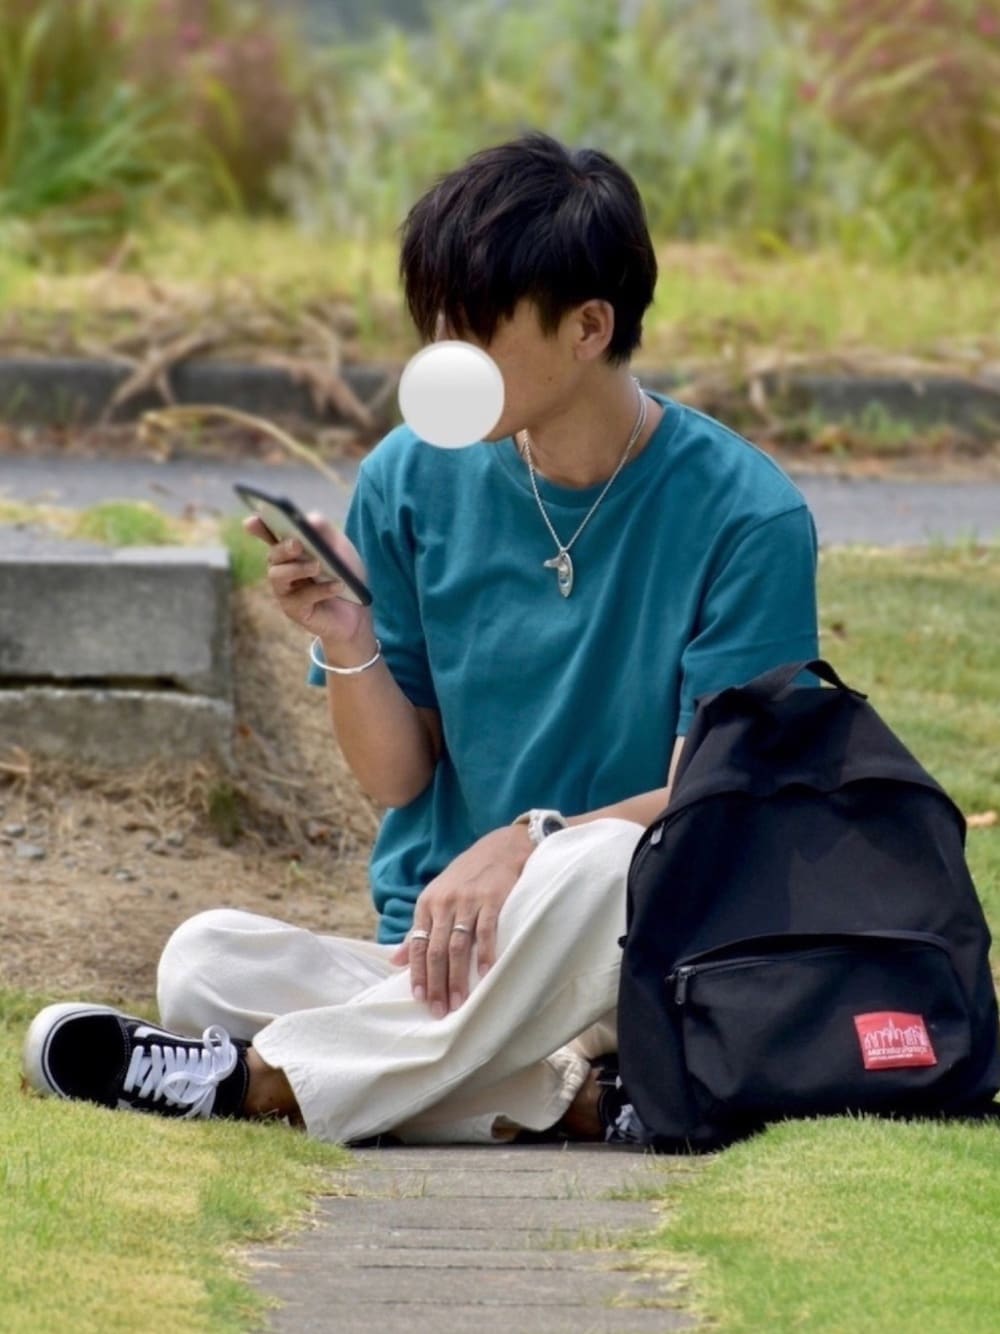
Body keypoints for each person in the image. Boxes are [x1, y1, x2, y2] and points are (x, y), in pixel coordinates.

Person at [22, 131, 820, 1145]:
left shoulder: (746, 514)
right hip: (445, 953)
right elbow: (396, 779)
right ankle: (574, 1096)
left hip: (638, 940)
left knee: (605, 859)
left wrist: (529, 843)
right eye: (436, 324)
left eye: (473, 329)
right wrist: (348, 634)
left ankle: (258, 1081)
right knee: (203, 962)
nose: (444, 359)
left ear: (589, 326)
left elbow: (710, 797)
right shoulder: (409, 476)